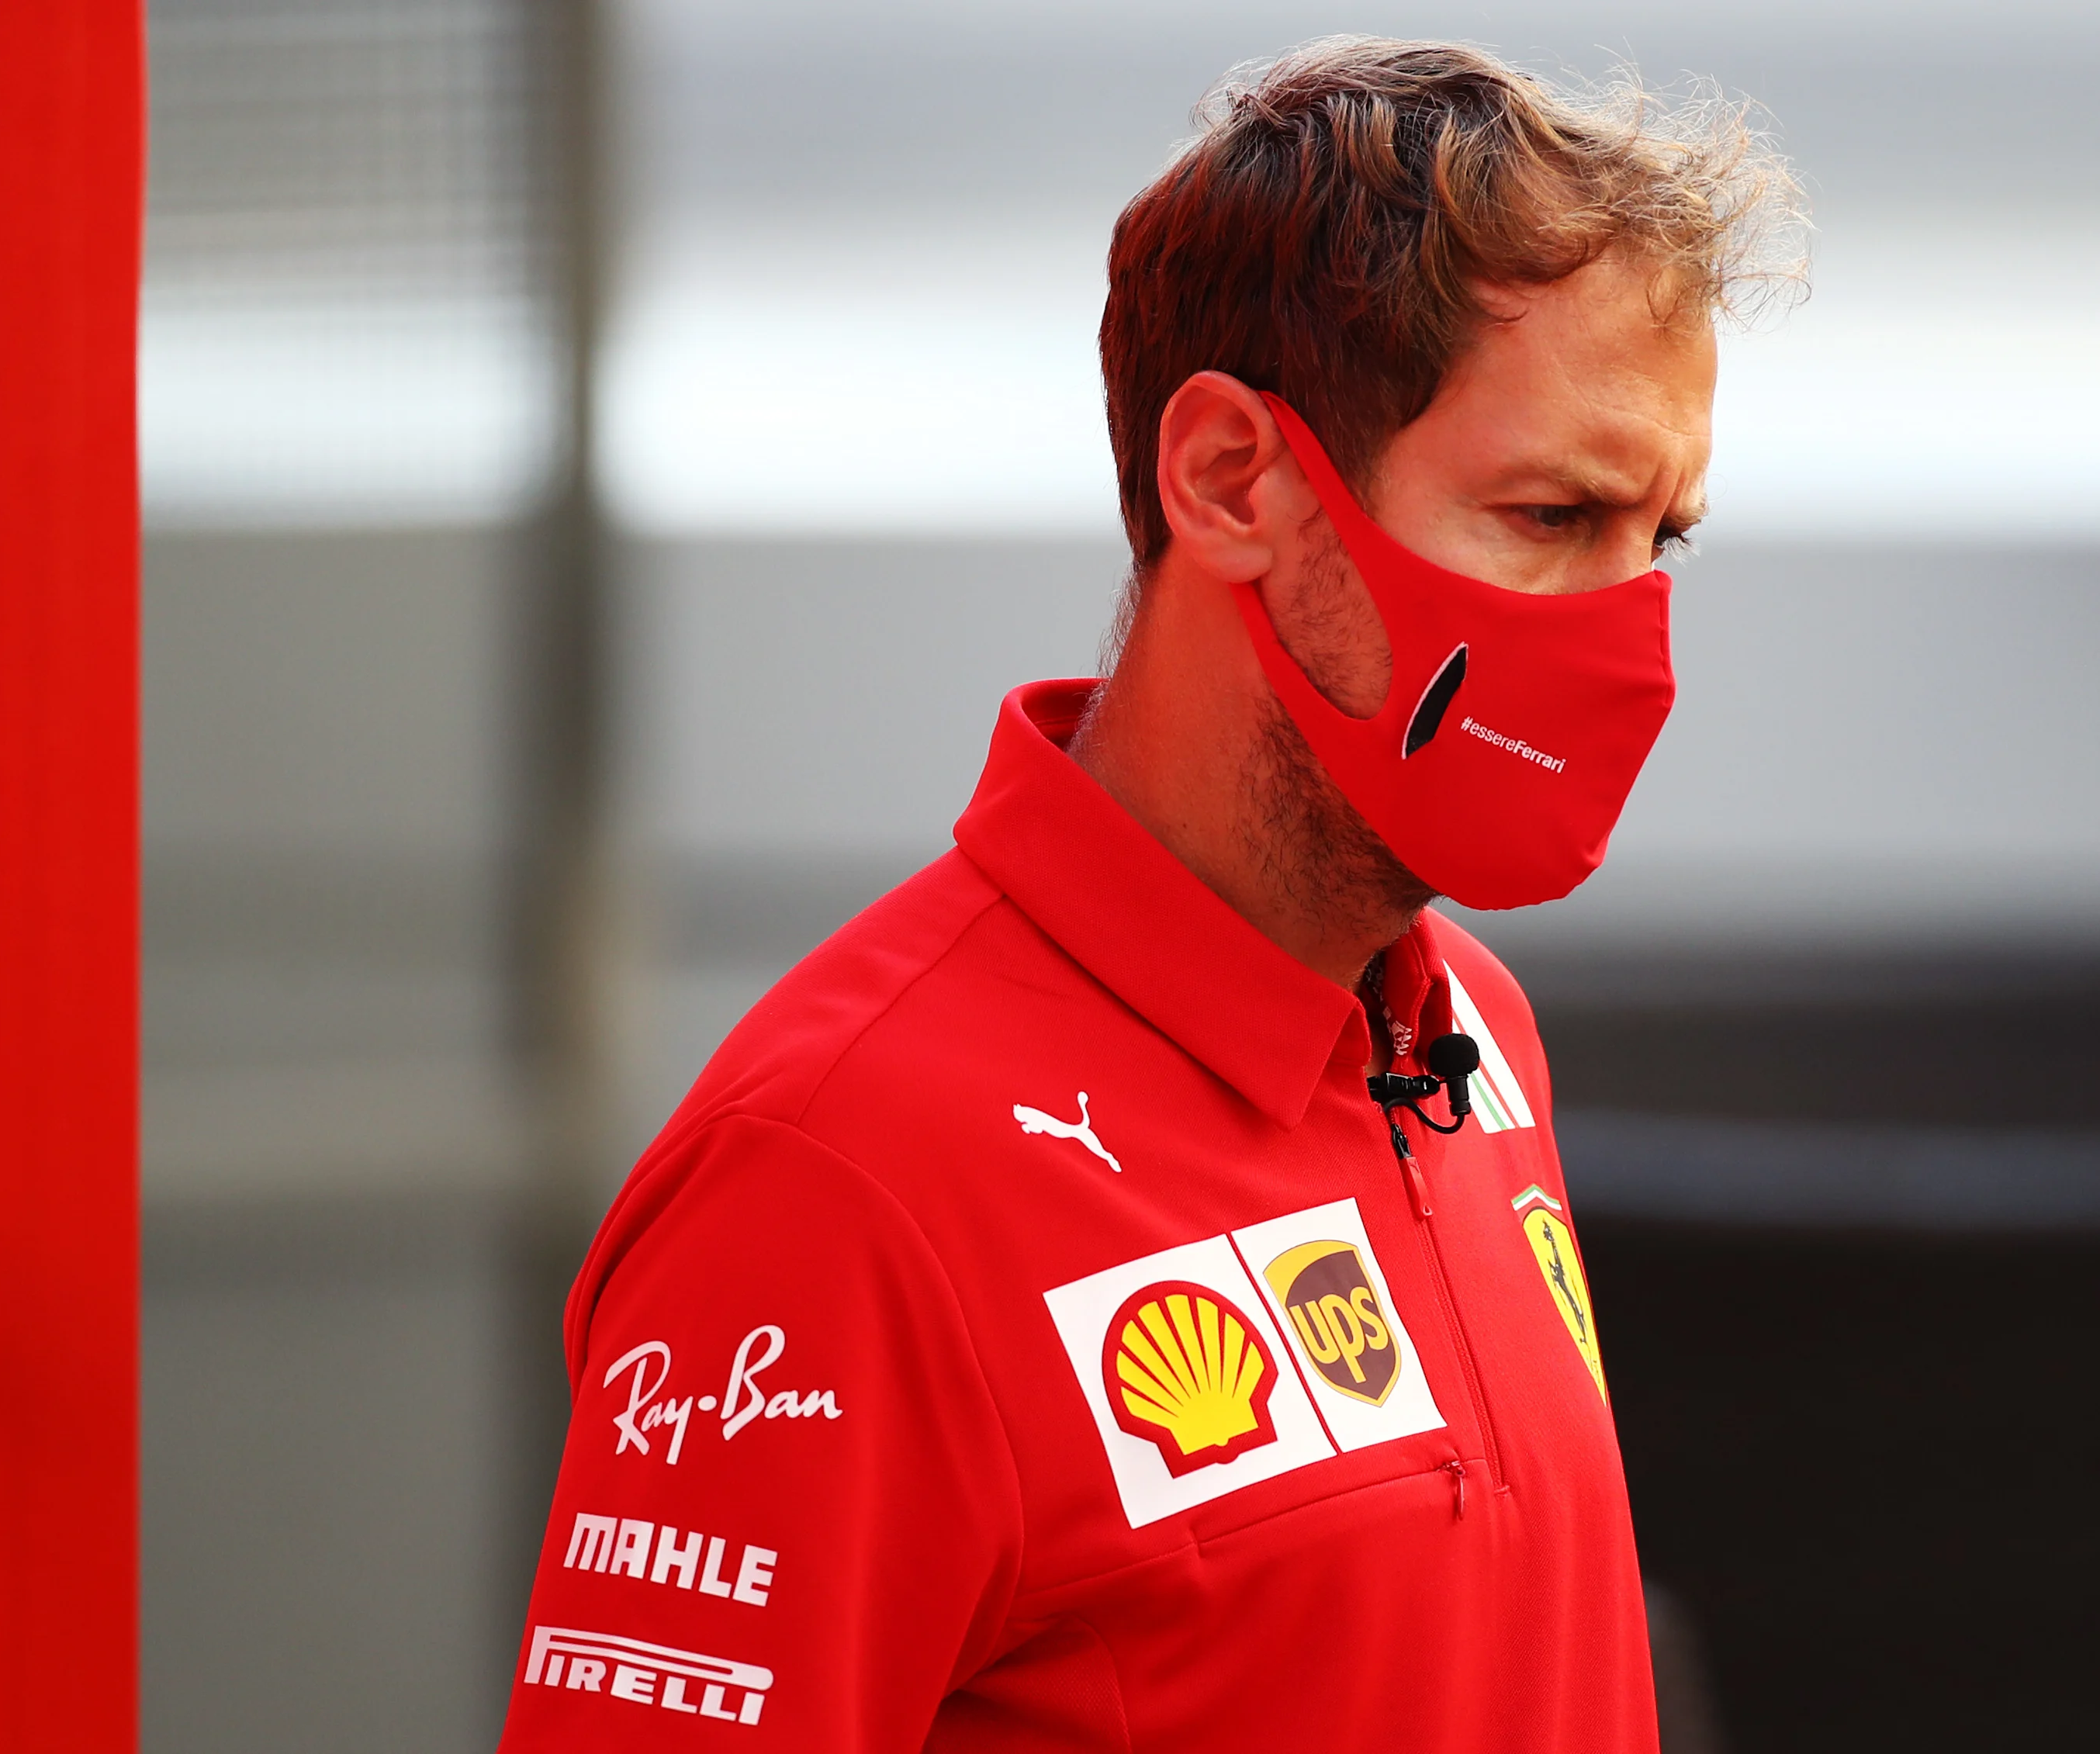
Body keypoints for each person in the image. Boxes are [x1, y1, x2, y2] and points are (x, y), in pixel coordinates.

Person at [498, 36, 1799, 1752]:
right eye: (1554, 514)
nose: (1628, 635)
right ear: (1231, 478)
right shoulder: (833, 1177)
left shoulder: (1468, 1032)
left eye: (1662, 538)